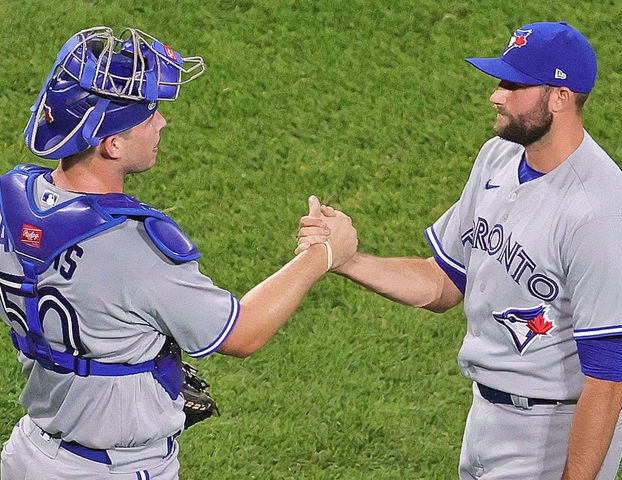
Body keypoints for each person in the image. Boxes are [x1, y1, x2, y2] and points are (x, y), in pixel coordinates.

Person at [0, 27, 356, 479]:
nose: (162, 123)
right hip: (110, 469)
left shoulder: (11, 201)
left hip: (28, 452)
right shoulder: (132, 249)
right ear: (112, 144)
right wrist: (323, 253)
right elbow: (241, 334)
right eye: (149, 115)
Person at [297, 21, 622, 480]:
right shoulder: (497, 157)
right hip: (486, 416)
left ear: (560, 96)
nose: (496, 95)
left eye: (514, 84)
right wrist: (345, 259)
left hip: (556, 432)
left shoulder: (601, 215)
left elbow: (607, 379)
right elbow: (443, 282)